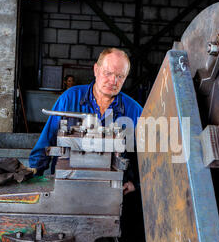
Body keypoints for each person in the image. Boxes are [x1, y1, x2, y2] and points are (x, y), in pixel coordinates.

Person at [29, 48, 143, 195]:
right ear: (96, 69)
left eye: (120, 76)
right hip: (68, 189)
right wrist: (33, 174)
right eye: (107, 73)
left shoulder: (135, 111)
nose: (113, 81)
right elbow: (46, 140)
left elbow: (151, 157)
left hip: (113, 194)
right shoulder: (70, 98)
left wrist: (137, 184)